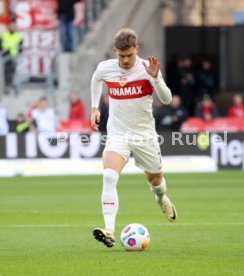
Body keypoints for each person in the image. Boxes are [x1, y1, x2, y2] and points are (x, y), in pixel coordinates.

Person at [90, 28, 177, 248]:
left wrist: (156, 77)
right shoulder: (106, 68)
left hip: (144, 136)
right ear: (115, 52)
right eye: (121, 56)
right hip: (118, 134)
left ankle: (161, 198)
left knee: (156, 181)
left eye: (129, 55)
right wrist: (94, 107)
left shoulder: (148, 68)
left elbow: (166, 99)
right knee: (109, 176)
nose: (126, 60)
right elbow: (96, 79)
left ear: (136, 49)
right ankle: (109, 229)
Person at [0, 22, 23, 93]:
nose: (12, 28)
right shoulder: (3, 34)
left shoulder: (18, 35)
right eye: (11, 26)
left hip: (13, 55)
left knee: (13, 71)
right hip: (5, 54)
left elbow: (20, 46)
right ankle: (7, 85)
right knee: (6, 70)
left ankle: (11, 84)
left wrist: (19, 53)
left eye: (13, 26)